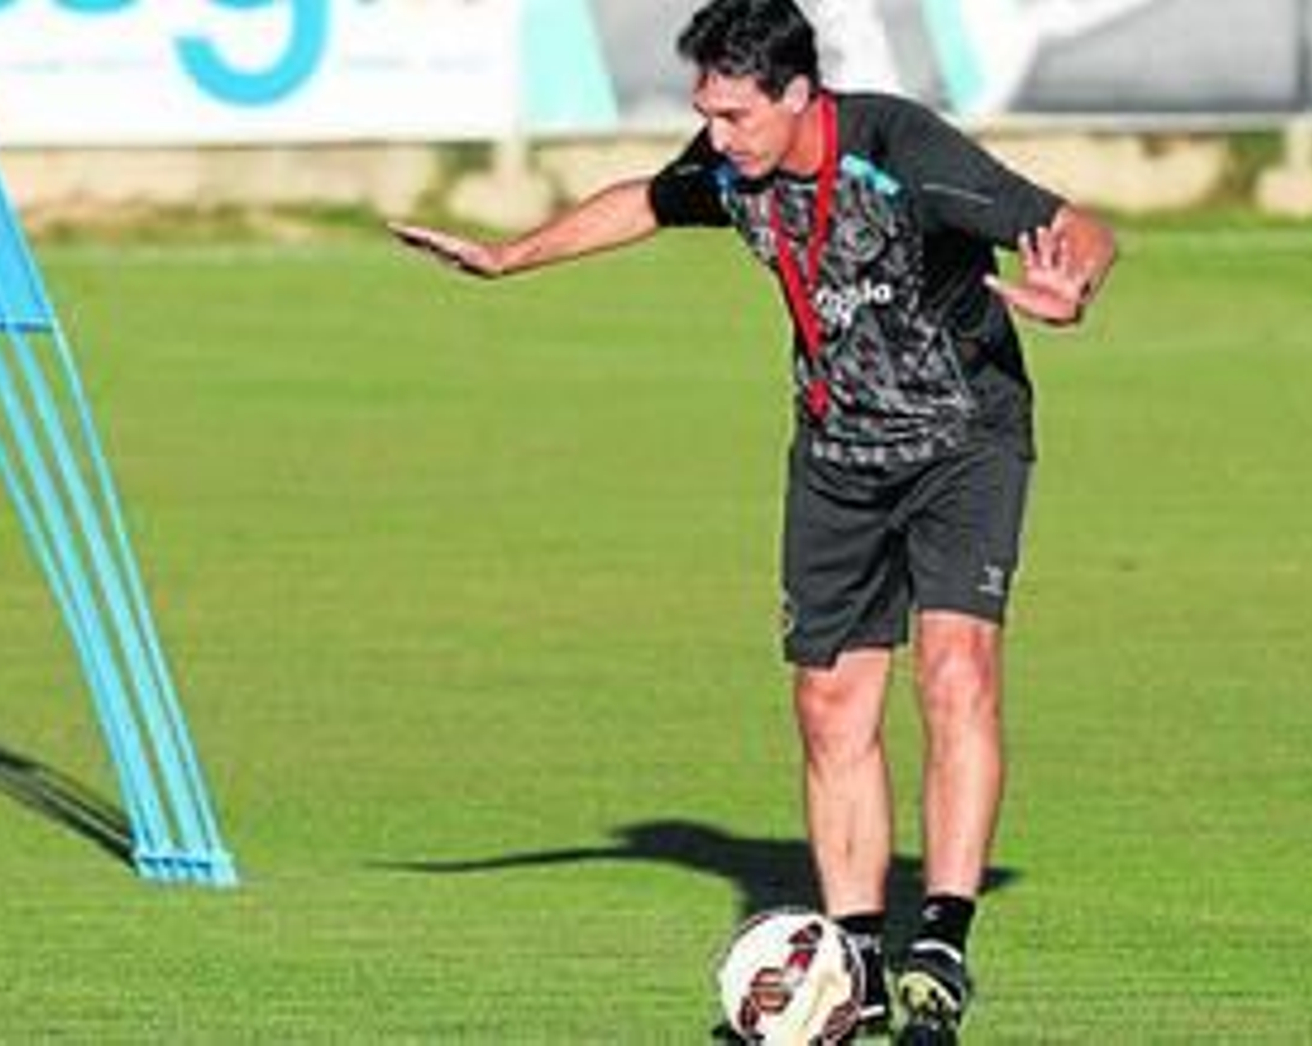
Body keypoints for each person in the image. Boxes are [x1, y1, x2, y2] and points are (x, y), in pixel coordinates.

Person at [390, 0, 1117, 1041]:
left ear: (795, 94)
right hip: (833, 455)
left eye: (733, 114)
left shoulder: (898, 149)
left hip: (962, 442)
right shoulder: (734, 164)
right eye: (706, 113)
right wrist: (510, 259)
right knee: (829, 704)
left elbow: (1077, 223)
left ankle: (940, 949)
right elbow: (644, 199)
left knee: (955, 673)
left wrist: (1071, 280)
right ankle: (856, 956)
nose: (715, 137)